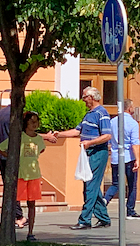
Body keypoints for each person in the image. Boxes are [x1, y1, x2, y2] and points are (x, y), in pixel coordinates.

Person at [45, 87, 114, 229]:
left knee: (90, 186)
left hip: (97, 153)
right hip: (87, 154)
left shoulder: (102, 113)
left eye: (84, 97)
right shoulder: (88, 114)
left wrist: (90, 142)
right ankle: (103, 218)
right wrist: (59, 134)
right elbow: (77, 131)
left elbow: (107, 136)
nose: (83, 99)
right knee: (92, 187)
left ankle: (85, 220)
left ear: (92, 97)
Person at [103, 101, 140, 220]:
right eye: (133, 106)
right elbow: (134, 143)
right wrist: (137, 159)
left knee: (116, 183)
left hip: (116, 157)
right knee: (132, 185)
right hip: (129, 157)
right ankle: (130, 210)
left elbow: (109, 140)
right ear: (129, 108)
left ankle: (105, 199)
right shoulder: (133, 124)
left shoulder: (112, 121)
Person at [0, 101, 24, 235]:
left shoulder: (0, 113)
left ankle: (15, 215)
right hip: (12, 154)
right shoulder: (17, 115)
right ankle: (17, 216)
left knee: (8, 185)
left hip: (1, 154)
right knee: (14, 186)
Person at [13, 111, 47, 242]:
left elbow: (42, 149)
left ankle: (31, 232)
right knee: (15, 202)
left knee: (31, 204)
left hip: (34, 175)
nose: (34, 124)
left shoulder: (39, 139)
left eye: (36, 121)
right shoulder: (19, 136)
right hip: (21, 174)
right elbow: (2, 148)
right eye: (31, 121)